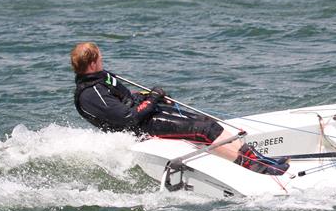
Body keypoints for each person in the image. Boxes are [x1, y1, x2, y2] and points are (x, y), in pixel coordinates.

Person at [70, 42, 288, 176]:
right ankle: (256, 169)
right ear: (92, 64)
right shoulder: (91, 94)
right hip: (142, 128)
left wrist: (147, 97)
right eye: (100, 57)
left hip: (146, 117)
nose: (103, 59)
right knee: (205, 130)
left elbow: (123, 100)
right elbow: (128, 118)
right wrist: (153, 99)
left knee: (207, 122)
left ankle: (262, 161)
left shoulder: (99, 80)